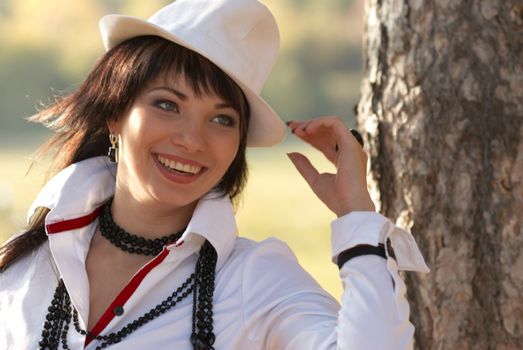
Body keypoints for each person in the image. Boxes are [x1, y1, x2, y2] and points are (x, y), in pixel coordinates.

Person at [0, 0, 429, 349]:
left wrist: (356, 214)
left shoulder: (253, 279)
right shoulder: (22, 266)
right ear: (116, 112)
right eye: (167, 105)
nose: (192, 140)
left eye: (221, 120)